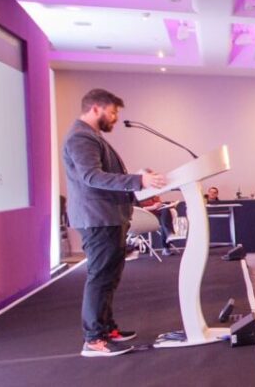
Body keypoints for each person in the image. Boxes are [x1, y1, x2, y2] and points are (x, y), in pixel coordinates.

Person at [63, 89, 166, 357]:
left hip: (109, 216)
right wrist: (138, 181)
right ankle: (94, 339)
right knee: (100, 276)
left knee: (110, 276)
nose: (116, 118)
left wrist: (138, 185)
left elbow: (105, 176)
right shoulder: (81, 138)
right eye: (113, 112)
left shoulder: (91, 137)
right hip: (98, 218)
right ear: (96, 108)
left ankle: (107, 329)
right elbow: (92, 177)